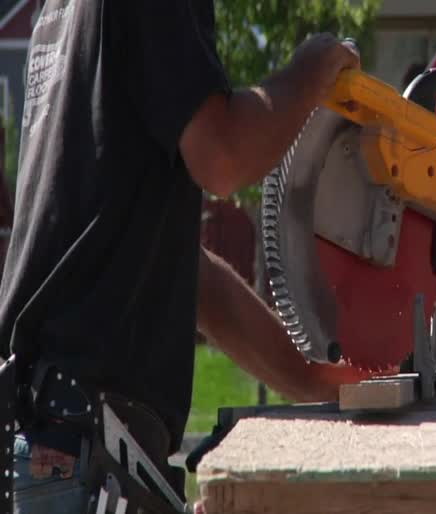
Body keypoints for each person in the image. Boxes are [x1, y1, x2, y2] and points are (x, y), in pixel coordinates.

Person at [0, 1, 368, 512]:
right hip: (85, 441)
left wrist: (311, 379)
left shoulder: (62, 12)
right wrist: (315, 66)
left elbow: (181, 276)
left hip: (58, 438)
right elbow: (224, 155)